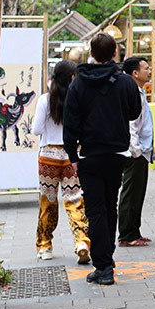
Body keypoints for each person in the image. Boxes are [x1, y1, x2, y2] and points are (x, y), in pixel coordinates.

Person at [62, 32, 142, 286]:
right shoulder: (126, 83)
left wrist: (72, 155)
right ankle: (106, 258)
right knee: (109, 205)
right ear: (115, 53)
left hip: (89, 155)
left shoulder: (78, 84)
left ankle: (104, 265)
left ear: (92, 54)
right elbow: (134, 112)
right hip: (117, 154)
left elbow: (70, 123)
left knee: (95, 209)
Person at [29, 60, 90, 264]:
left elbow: (36, 130)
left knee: (48, 200)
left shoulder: (45, 100)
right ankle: (81, 240)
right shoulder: (79, 99)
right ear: (72, 77)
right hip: (72, 154)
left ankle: (45, 245)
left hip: (48, 154)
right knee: (75, 199)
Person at [117, 57, 154, 247]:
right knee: (130, 193)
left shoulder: (139, 91)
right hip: (134, 152)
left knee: (138, 193)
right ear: (135, 73)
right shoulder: (130, 93)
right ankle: (126, 234)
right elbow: (131, 124)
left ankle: (135, 231)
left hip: (142, 151)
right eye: (146, 68)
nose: (150, 71)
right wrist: (136, 150)